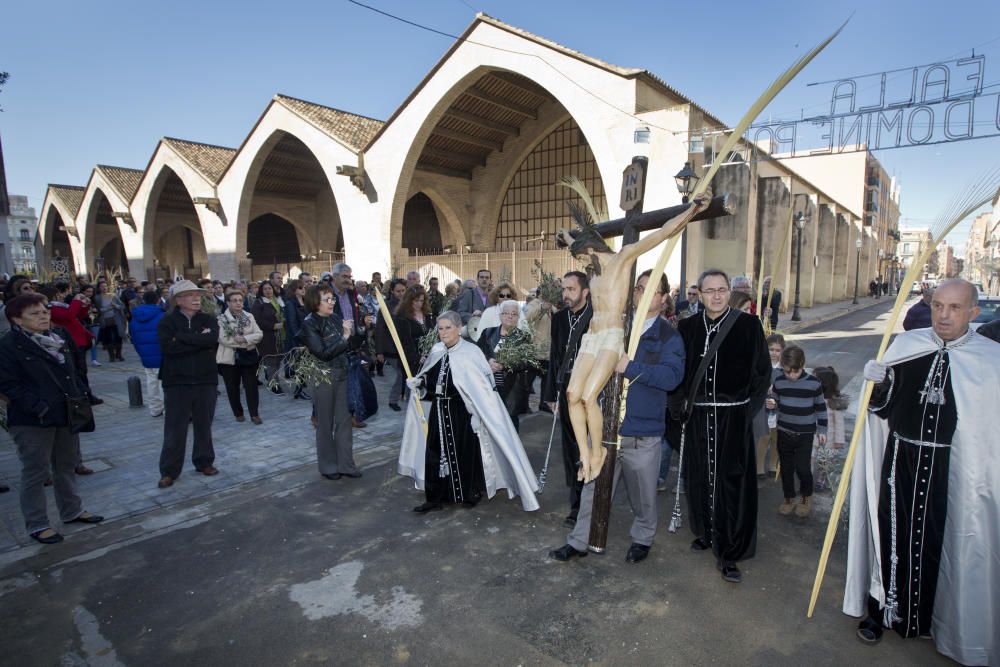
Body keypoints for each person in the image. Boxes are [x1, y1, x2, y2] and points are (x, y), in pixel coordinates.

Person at [845, 279, 999, 664]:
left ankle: (938, 621)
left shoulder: (990, 359)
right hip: (901, 461)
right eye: (938, 306)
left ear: (973, 313)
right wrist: (878, 386)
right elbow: (883, 409)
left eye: (955, 308)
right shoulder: (907, 346)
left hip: (953, 471)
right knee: (891, 534)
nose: (944, 315)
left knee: (942, 542)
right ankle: (882, 611)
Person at [556, 194, 709, 482]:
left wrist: (692, 209)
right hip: (592, 336)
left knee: (589, 397)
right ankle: (585, 455)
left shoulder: (622, 258)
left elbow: (663, 233)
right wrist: (562, 235)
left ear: (592, 247)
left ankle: (597, 451)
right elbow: (569, 238)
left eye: (582, 254)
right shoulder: (593, 270)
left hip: (611, 335)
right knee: (572, 395)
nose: (581, 260)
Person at [549, 270, 684, 563]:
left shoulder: (668, 336)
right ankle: (579, 540)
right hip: (605, 428)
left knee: (643, 495)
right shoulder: (614, 327)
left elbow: (672, 377)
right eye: (638, 288)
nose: (641, 293)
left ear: (663, 298)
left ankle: (642, 538)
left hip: (641, 431)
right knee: (592, 489)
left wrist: (630, 366)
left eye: (650, 290)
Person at [674, 269, 770, 584]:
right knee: (700, 477)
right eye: (709, 290)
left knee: (732, 483)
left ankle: (729, 551)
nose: (716, 295)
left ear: (729, 292)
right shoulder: (687, 327)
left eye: (722, 289)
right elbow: (679, 374)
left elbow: (761, 374)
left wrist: (746, 411)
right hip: (699, 417)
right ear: (699, 294)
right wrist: (680, 410)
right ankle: (705, 532)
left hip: (733, 417)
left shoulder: (748, 326)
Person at [398, 311, 539, 513]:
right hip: (439, 410)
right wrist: (419, 383)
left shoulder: (470, 352)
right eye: (440, 328)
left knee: (465, 453)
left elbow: (481, 387)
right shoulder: (437, 350)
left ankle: (468, 494)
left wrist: (477, 414)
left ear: (458, 328)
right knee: (435, 454)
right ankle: (435, 498)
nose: (443, 332)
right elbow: (430, 380)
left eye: (448, 328)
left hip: (462, 413)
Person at [0, 294, 104, 543]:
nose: (43, 316)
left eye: (44, 310)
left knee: (65, 464)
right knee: (36, 471)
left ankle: (71, 510)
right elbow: (8, 385)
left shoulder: (59, 337)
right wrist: (39, 407)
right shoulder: (9, 345)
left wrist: (81, 394)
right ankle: (37, 524)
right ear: (16, 319)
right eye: (34, 314)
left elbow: (73, 370)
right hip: (32, 419)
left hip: (66, 412)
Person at [156, 280, 220, 489]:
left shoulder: (208, 319)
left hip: (205, 380)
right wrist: (196, 340)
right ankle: (169, 471)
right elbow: (168, 348)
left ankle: (204, 462)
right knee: (175, 428)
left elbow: (211, 341)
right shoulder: (167, 322)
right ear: (178, 300)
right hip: (177, 382)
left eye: (198, 295)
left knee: (204, 424)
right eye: (190, 295)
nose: (196, 298)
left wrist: (182, 339)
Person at [541, 271, 592, 526]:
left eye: (571, 289)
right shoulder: (559, 318)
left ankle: (590, 502)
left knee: (589, 448)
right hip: (565, 390)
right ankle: (576, 504)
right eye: (564, 289)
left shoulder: (597, 317)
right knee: (570, 448)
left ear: (585, 292)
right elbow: (554, 357)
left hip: (590, 394)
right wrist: (550, 394)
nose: (565, 294)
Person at [298, 283, 361, 480]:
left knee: (344, 421)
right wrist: (344, 337)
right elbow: (323, 353)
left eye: (333, 298)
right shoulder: (310, 323)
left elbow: (349, 344)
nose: (332, 302)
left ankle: (346, 465)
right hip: (322, 375)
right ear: (316, 302)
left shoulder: (334, 318)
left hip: (342, 372)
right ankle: (328, 467)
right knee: (325, 423)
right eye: (328, 299)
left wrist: (360, 331)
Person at [766, 345, 827, 517]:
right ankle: (789, 497)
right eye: (787, 371)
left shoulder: (814, 384)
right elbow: (775, 401)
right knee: (786, 468)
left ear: (802, 364)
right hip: (784, 431)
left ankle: (806, 496)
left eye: (795, 371)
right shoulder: (779, 382)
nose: (791, 375)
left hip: (805, 434)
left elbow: (821, 408)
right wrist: (772, 404)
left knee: (802, 468)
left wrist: (822, 429)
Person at [477, 300, 530, 431]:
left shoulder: (523, 337)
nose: (510, 316)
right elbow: (476, 353)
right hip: (489, 388)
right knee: (490, 426)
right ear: (500, 315)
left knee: (510, 427)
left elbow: (526, 362)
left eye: (514, 314)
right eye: (506, 313)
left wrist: (505, 365)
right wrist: (488, 361)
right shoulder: (487, 333)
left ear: (518, 317)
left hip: (511, 390)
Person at [217, 290, 264, 424]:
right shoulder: (222, 319)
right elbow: (223, 339)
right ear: (228, 303)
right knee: (232, 386)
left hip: (249, 356)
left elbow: (259, 334)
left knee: (251, 385)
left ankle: (254, 414)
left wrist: (244, 339)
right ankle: (238, 412)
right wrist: (245, 341)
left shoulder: (249, 316)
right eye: (234, 300)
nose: (238, 303)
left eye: (240, 300)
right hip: (229, 358)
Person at [130, 290, 167, 418]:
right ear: (158, 300)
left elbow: (133, 337)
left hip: (145, 354)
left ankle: (155, 409)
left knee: (151, 382)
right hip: (161, 354)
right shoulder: (162, 315)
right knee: (164, 383)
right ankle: (167, 408)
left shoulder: (135, 316)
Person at [811, 365, 847, 491]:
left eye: (814, 379)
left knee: (825, 461)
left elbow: (839, 423)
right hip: (811, 436)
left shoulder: (833, 403)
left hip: (829, 439)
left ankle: (822, 479)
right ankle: (807, 479)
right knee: (810, 458)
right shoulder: (812, 398)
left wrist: (839, 440)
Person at [375, 279, 409, 410]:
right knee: (400, 374)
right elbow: (379, 329)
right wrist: (379, 352)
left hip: (406, 347)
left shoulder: (408, 305)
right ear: (392, 291)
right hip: (391, 348)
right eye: (398, 291)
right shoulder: (385, 307)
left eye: (403, 291)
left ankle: (407, 396)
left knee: (407, 374)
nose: (401, 293)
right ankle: (393, 400)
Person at [756, 333, 785, 477]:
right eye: (771, 349)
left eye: (777, 350)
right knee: (763, 437)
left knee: (776, 437)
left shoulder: (785, 368)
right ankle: (759, 467)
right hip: (762, 407)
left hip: (778, 407)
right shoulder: (760, 364)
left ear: (782, 351)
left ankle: (773, 465)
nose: (774, 353)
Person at [251, 281, 285, 395]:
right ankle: (274, 385)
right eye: (265, 289)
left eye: (269, 288)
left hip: (280, 336)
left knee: (278, 360)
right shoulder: (259, 303)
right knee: (271, 360)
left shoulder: (278, 300)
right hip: (267, 336)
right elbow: (256, 320)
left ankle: (272, 379)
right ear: (261, 290)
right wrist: (272, 326)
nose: (268, 291)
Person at [283, 280, 309, 400]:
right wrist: (301, 339)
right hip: (297, 340)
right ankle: (298, 391)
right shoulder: (290, 304)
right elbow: (292, 325)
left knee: (304, 364)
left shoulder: (305, 302)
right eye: (300, 288)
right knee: (299, 365)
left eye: (303, 287)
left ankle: (301, 387)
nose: (303, 289)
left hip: (306, 337)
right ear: (294, 290)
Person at [95, 281, 126, 362]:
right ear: (99, 288)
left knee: (118, 337)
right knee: (108, 338)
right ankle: (111, 356)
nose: (104, 288)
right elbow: (97, 311)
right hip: (105, 320)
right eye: (102, 286)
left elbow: (122, 306)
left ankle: (118, 354)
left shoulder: (113, 295)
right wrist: (106, 309)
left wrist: (116, 306)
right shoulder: (97, 298)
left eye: (105, 286)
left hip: (115, 319)